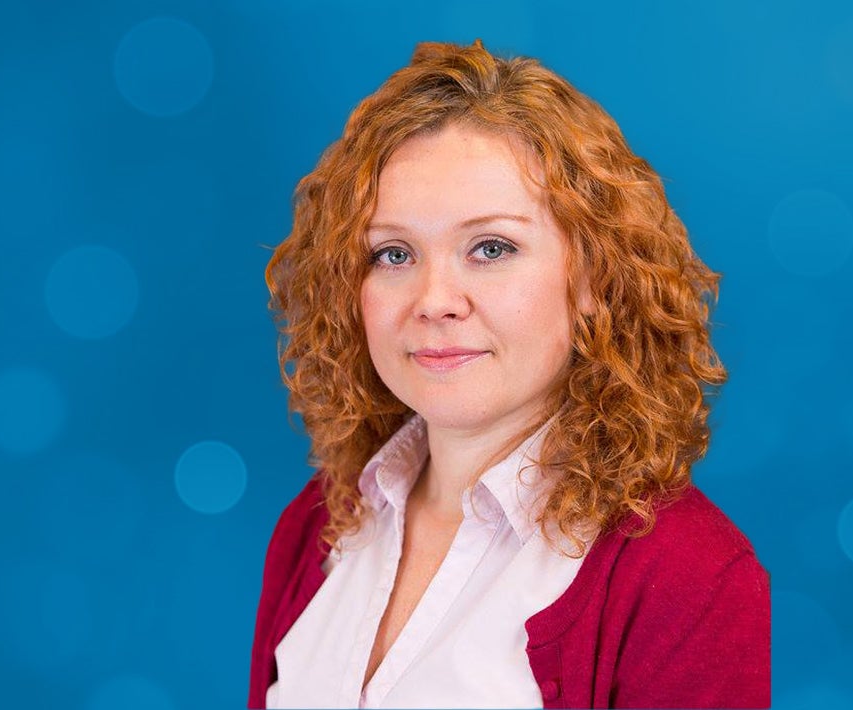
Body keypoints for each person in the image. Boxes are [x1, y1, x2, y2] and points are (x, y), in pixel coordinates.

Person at [249, 40, 769, 709]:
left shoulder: (690, 578)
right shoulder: (316, 525)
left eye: (491, 248)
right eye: (393, 253)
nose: (434, 299)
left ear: (593, 279)